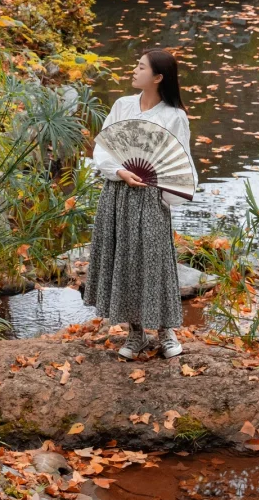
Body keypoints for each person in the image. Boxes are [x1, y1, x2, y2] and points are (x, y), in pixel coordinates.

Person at [84, 47, 196, 359]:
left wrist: (169, 194)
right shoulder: (123, 105)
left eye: (141, 67)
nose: (134, 71)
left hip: (151, 195)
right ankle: (136, 333)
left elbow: (182, 161)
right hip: (117, 192)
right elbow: (103, 147)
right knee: (123, 259)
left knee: (155, 259)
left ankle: (166, 330)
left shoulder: (174, 116)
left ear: (158, 77)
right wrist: (119, 171)